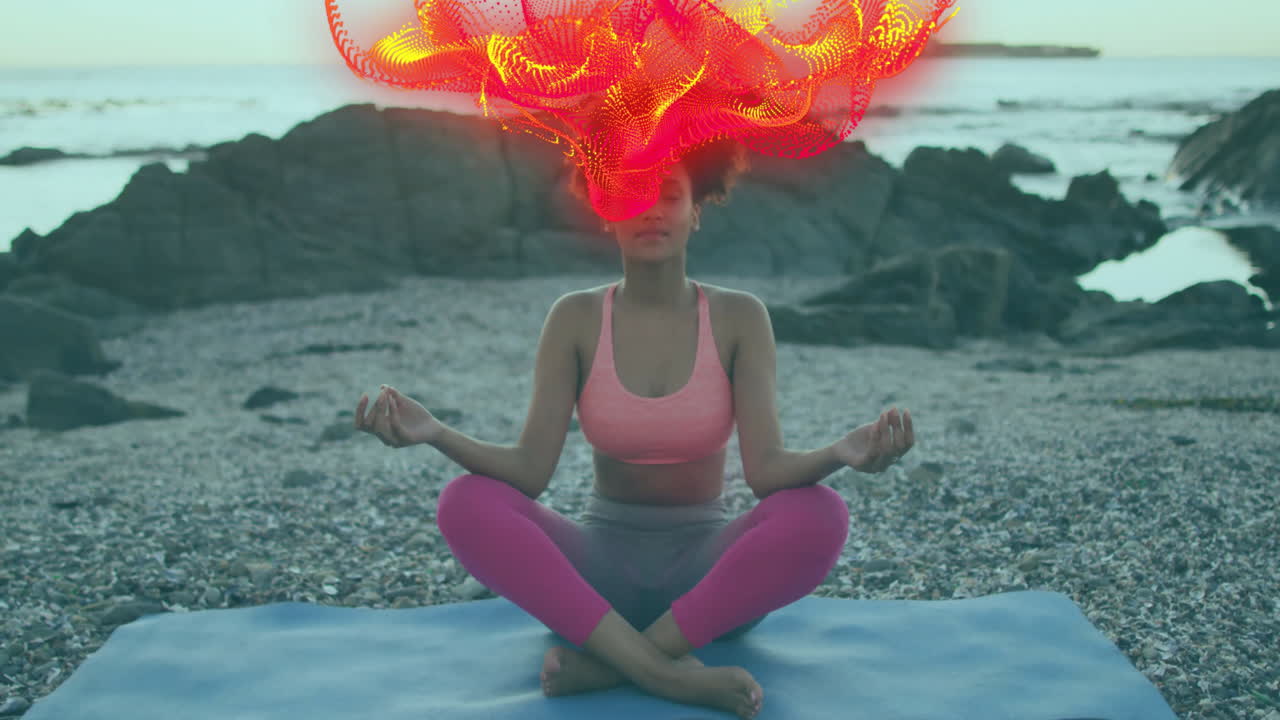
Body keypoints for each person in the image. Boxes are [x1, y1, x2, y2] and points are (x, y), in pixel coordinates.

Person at [354, 138, 915, 719]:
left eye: (670, 195)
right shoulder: (574, 317)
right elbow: (528, 472)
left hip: (709, 581)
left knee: (821, 513)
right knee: (465, 502)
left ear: (696, 211)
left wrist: (842, 452)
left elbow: (767, 473)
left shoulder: (739, 317)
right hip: (597, 574)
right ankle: (664, 673)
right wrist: (435, 433)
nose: (651, 210)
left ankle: (610, 664)